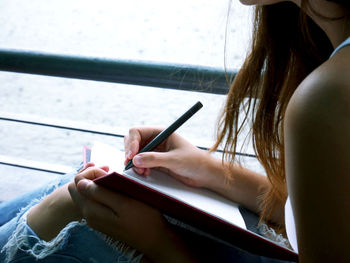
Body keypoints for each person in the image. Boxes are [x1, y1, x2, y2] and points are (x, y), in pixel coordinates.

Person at [1, 0, 349, 262]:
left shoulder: (327, 97)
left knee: (74, 208)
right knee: (82, 185)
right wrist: (207, 168)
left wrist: (159, 245)